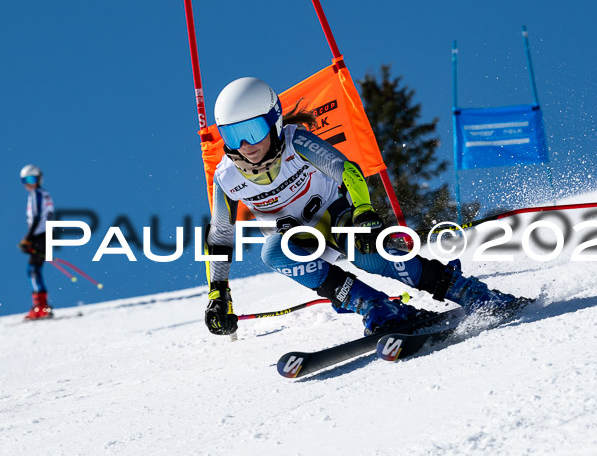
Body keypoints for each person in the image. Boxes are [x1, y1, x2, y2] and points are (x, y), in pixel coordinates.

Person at [201, 77, 531, 336]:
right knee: (272, 251)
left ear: (273, 121)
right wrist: (218, 293)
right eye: (232, 135)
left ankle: (467, 291)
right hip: (298, 239)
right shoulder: (227, 177)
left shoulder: (294, 142)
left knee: (371, 257)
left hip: (338, 216)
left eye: (252, 131)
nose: (245, 146)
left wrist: (364, 213)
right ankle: (376, 307)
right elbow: (221, 234)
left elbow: (347, 170)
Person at [19, 164, 55, 320]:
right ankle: (41, 306)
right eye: (26, 180)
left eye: (32, 179)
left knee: (33, 269)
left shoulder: (37, 194)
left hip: (41, 235)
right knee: (34, 269)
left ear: (39, 180)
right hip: (44, 235)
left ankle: (41, 307)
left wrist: (28, 237)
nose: (29, 183)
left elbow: (37, 217)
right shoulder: (42, 193)